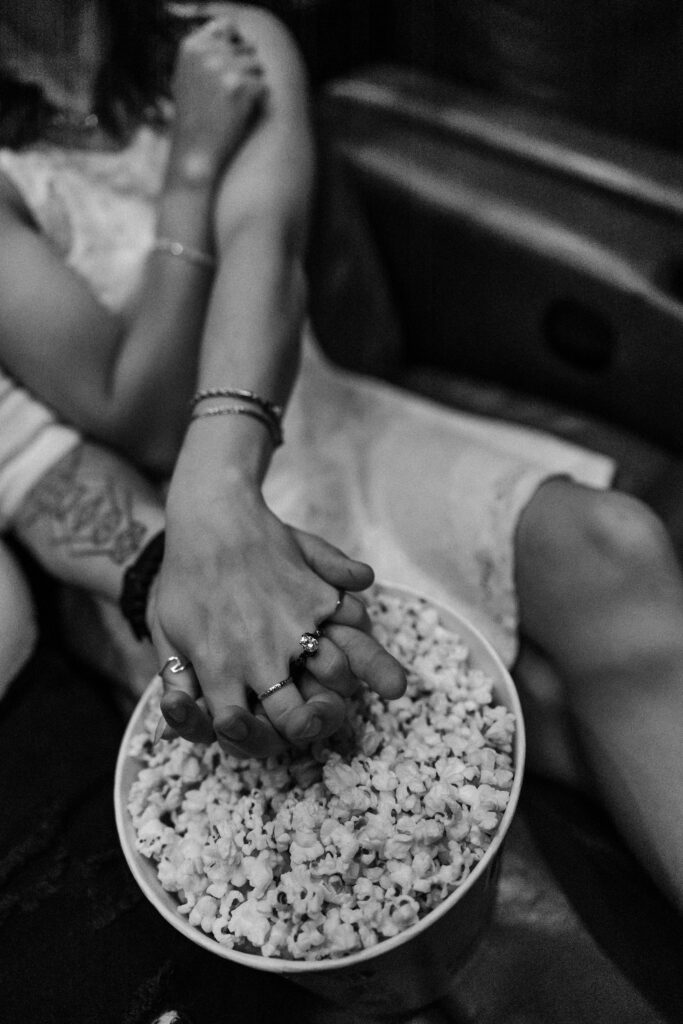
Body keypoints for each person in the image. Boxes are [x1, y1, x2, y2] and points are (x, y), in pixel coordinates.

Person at [0, 0, 682, 916]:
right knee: (447, 718)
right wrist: (192, 170)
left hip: (319, 421)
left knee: (616, 544)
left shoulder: (231, 37)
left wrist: (220, 481)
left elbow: (267, 256)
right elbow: (141, 415)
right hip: (163, 523)